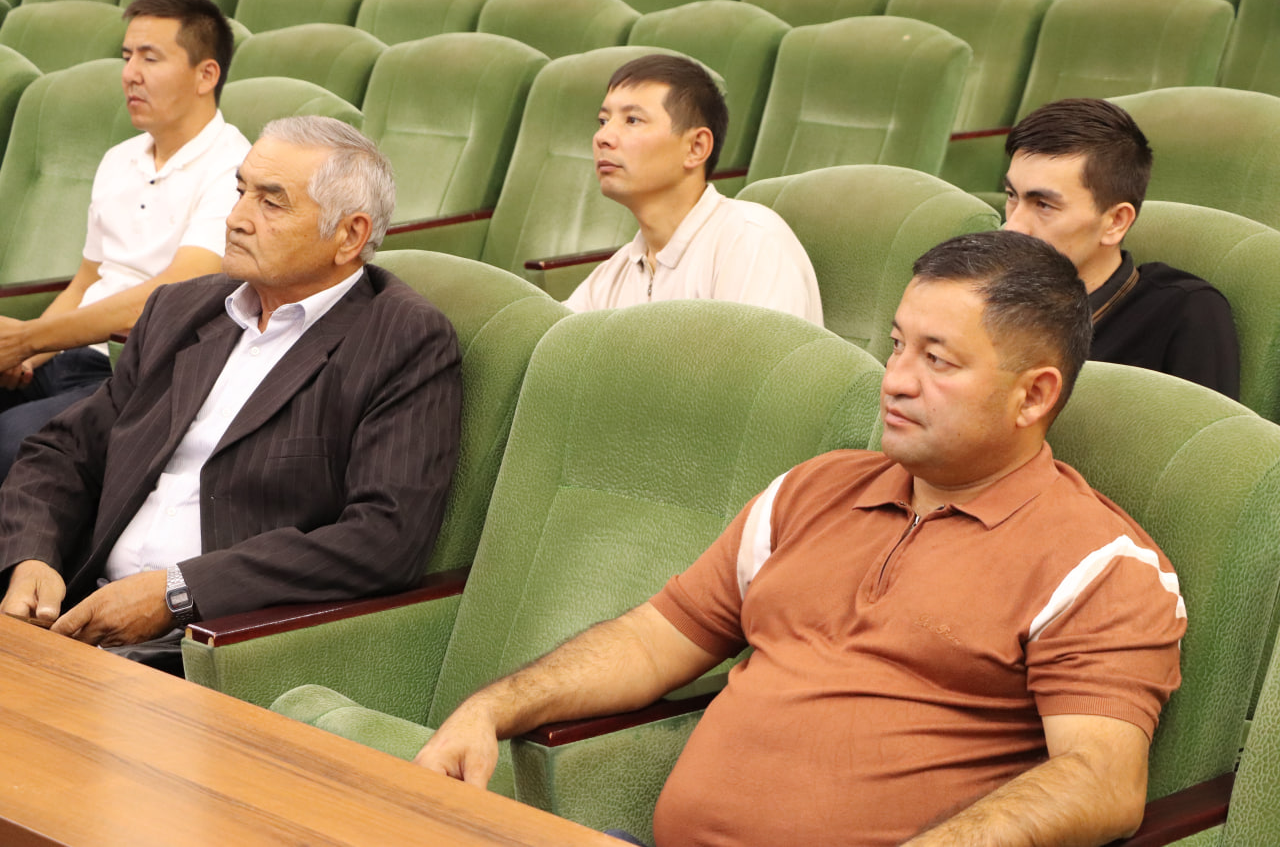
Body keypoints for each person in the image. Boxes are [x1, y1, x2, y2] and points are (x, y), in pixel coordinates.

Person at [415, 231, 1185, 847]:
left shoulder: (1098, 562)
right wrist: (491, 708)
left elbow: (1102, 780)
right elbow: (651, 640)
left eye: (937, 359)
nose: (896, 379)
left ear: (1034, 395)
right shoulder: (814, 489)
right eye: (897, 345)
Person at [0, 116, 461, 675]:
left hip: (211, 648)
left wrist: (178, 593)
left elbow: (384, 538)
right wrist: (33, 556)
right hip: (74, 613)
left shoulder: (402, 339)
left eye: (272, 203)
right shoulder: (180, 310)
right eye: (241, 191)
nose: (237, 218)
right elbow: (65, 451)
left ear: (349, 236)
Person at [0, 0, 252, 478]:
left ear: (206, 75)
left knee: (17, 440)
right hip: (70, 356)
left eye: (150, 58)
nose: (130, 74)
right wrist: (26, 357)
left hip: (140, 372)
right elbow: (85, 282)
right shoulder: (119, 158)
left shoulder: (235, 170)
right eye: (126, 56)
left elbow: (170, 296)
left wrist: (27, 338)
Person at [1002, 97, 1240, 398]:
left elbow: (1206, 428)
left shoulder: (1186, 314)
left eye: (1044, 205)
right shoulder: (985, 292)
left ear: (1115, 222)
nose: (1012, 226)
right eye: (1011, 195)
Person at [565, 54, 823, 326]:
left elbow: (763, 354)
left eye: (632, 120)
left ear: (696, 147)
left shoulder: (751, 243)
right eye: (603, 121)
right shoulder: (614, 274)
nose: (603, 137)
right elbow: (553, 342)